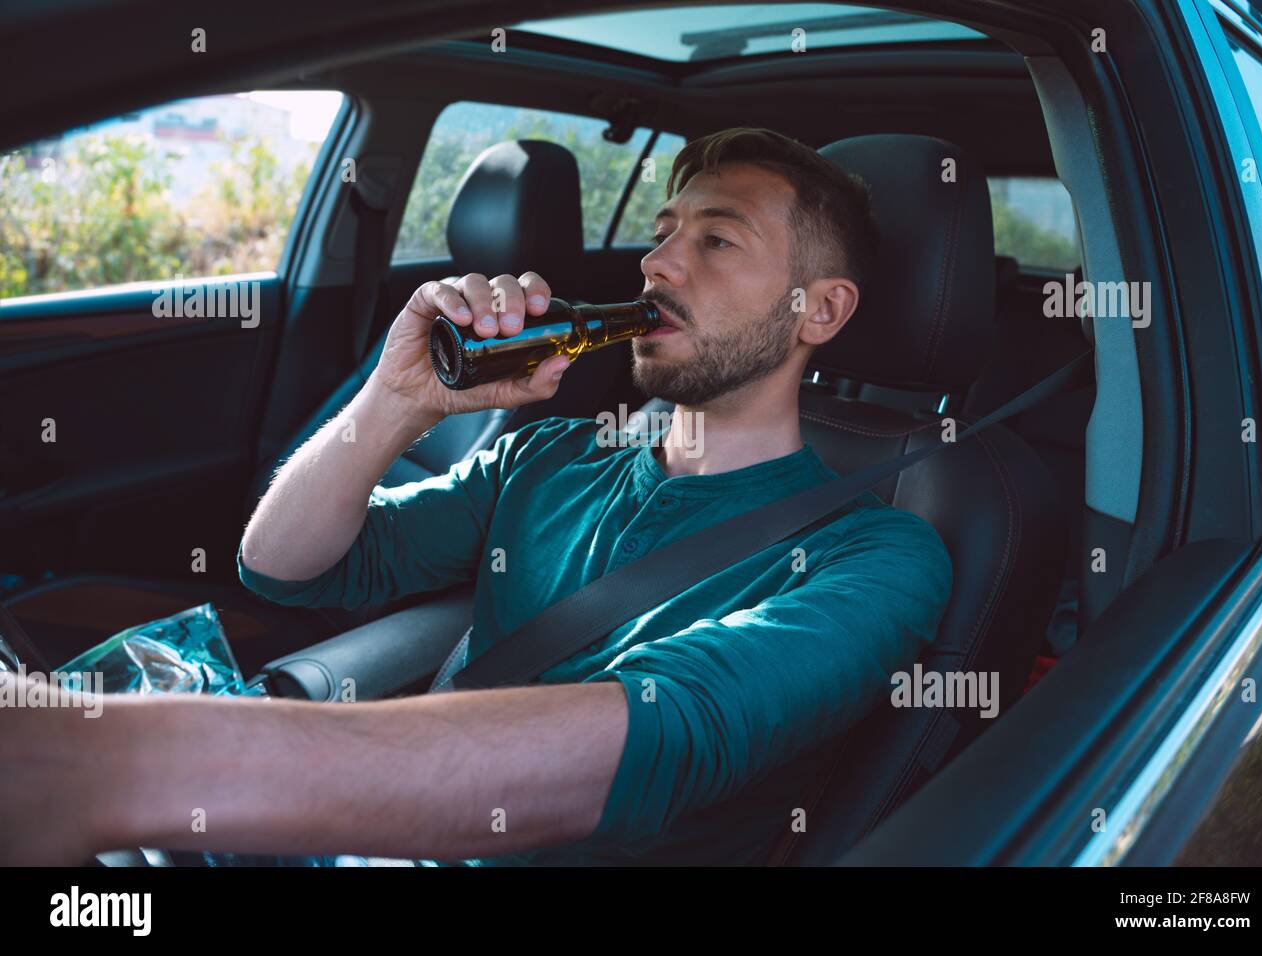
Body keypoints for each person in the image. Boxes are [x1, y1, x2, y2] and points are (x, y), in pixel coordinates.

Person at [0, 127, 952, 866]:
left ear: (819, 310)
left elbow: (658, 736)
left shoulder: (875, 555)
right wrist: (394, 403)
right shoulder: (549, 456)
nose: (657, 265)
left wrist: (112, 760)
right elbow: (282, 567)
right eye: (662, 235)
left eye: (717, 239)